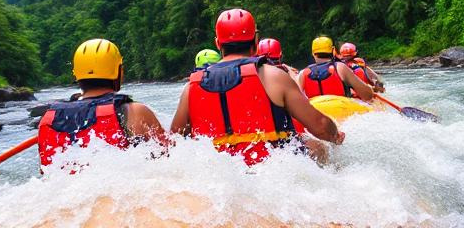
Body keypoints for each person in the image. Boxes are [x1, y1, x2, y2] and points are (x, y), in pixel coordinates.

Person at [170, 9, 344, 165]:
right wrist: (335, 136)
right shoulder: (274, 76)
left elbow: (174, 142)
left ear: (217, 43)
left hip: (219, 175)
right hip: (273, 169)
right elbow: (320, 127)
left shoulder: (191, 87)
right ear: (255, 40)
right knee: (318, 147)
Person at [37, 39, 166, 167]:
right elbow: (168, 156)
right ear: (119, 72)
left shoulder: (49, 119)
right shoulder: (135, 112)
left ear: (76, 75)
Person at [297, 36, 374, 101]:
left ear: (313, 53)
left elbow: (295, 102)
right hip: (341, 107)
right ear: (333, 50)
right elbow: (367, 96)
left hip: (316, 110)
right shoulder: (340, 68)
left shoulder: (303, 73)